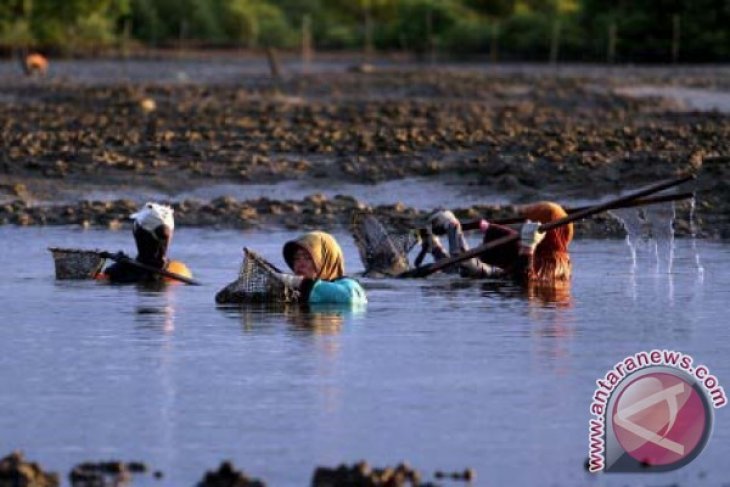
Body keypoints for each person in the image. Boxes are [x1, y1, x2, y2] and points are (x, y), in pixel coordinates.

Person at [422, 201, 572, 284]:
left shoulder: (557, 262)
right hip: (496, 273)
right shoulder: (542, 247)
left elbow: (523, 280)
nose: (528, 224)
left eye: (532, 221)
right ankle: (435, 247)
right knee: (457, 269)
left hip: (499, 276)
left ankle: (452, 228)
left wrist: (528, 247)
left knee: (467, 268)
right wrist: (488, 227)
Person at [100, 202, 192, 284]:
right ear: (171, 233)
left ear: (138, 233)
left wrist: (118, 267)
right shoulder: (181, 271)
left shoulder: (116, 274)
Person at [276, 231, 367, 305]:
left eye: (308, 258)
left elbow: (350, 298)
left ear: (327, 260)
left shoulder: (350, 286)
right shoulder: (292, 291)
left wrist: (300, 283)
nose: (300, 264)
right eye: (296, 258)